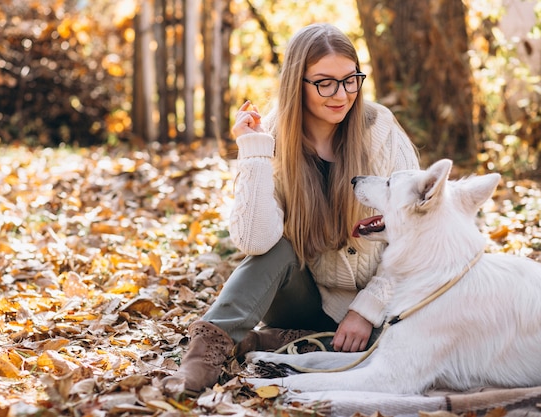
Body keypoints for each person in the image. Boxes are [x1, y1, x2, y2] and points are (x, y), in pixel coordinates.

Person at [162, 23, 419, 394]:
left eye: (351, 80)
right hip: (304, 298)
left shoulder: (380, 130)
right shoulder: (274, 136)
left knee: (404, 345)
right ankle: (201, 361)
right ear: (296, 83)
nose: (341, 94)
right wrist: (254, 152)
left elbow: (416, 230)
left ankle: (281, 342)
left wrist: (367, 309)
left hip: (384, 304)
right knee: (278, 247)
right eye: (324, 82)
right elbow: (255, 242)